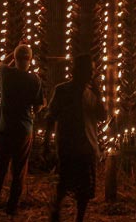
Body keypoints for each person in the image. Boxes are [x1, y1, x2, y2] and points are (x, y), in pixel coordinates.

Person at [0, 44, 44, 216]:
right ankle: (12, 207)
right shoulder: (35, 79)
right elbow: (37, 108)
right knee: (19, 170)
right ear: (30, 60)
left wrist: (12, 52)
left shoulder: (6, 74)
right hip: (24, 130)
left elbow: (1, 63)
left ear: (14, 59)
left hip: (5, 128)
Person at [44, 55, 108, 222]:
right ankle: (56, 211)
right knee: (64, 181)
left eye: (92, 71)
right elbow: (51, 116)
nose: (92, 74)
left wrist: (98, 95)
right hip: (69, 145)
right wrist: (46, 143)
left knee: (85, 188)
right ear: (78, 71)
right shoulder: (62, 90)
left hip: (87, 146)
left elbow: (102, 116)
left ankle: (79, 217)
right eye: (90, 70)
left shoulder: (91, 93)